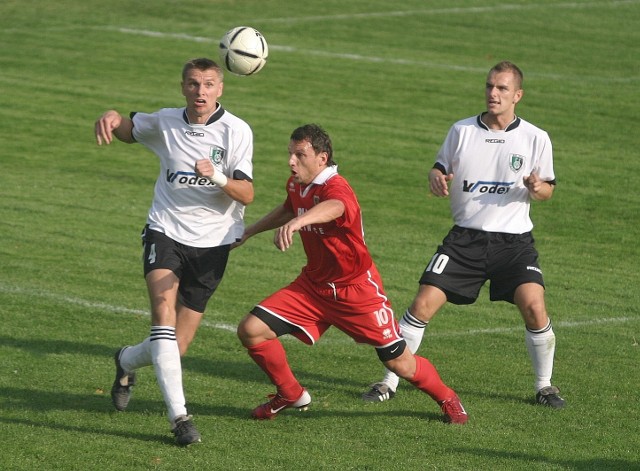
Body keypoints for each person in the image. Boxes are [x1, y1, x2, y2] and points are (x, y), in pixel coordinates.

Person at [362, 61, 566, 409]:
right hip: (464, 241)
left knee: (534, 306)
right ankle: (387, 382)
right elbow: (440, 167)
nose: (493, 93)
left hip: (513, 243)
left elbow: (547, 190)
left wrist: (537, 187)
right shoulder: (462, 131)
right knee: (422, 305)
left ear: (518, 95)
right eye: (489, 86)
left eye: (502, 88)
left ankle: (545, 387)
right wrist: (435, 177)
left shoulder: (535, 137)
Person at [234, 124, 468, 424]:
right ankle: (291, 393)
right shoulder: (297, 184)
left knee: (399, 362)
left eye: (300, 155)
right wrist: (250, 231)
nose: (291, 161)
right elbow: (290, 207)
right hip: (313, 286)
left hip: (356, 291)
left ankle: (448, 398)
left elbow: (336, 206)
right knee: (251, 330)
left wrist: (299, 224)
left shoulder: (336, 186)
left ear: (322, 157)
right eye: (290, 154)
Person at [94, 58, 255, 445]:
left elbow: (247, 193)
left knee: (175, 347)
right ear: (183, 87)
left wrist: (216, 176)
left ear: (221, 89)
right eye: (194, 84)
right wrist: (113, 117)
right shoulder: (165, 121)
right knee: (162, 316)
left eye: (209, 84)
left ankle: (126, 360)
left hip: (214, 243)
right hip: (165, 232)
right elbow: (130, 131)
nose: (201, 91)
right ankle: (180, 418)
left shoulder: (236, 131)